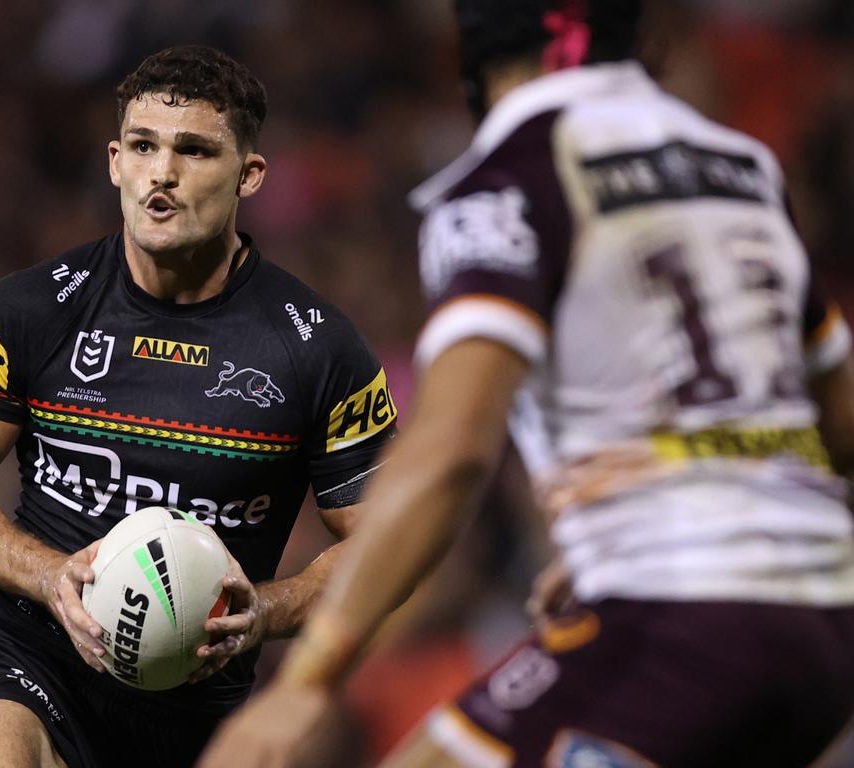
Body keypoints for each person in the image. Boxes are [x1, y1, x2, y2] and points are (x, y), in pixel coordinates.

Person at [198, 1, 854, 766]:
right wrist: (649, 515)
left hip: (677, 621)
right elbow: (838, 425)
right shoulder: (743, 169)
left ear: (467, 55)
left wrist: (305, 683)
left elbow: (451, 455)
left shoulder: (505, 182)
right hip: (826, 626)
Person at [0, 44, 397, 768]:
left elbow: (386, 544)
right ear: (114, 162)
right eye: (143, 146)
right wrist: (46, 576)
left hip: (193, 717)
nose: (162, 172)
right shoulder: (30, 310)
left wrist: (268, 611)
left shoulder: (318, 351)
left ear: (249, 174)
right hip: (31, 656)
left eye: (194, 150)